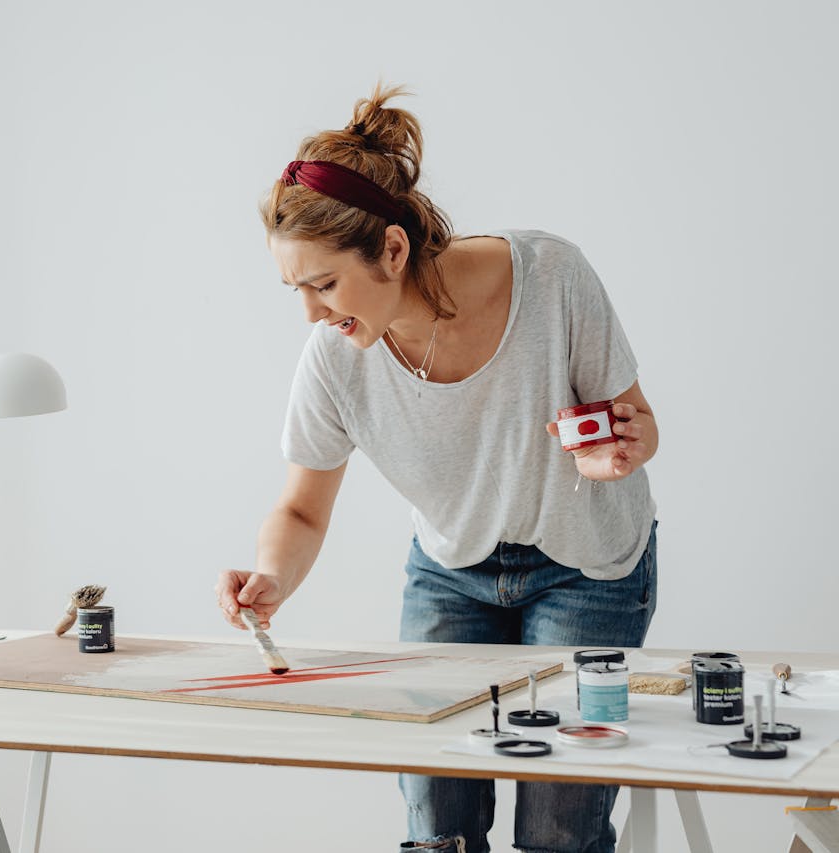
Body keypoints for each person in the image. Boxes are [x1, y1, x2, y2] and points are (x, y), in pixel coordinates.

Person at [213, 83, 659, 853]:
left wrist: (620, 451)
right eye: (297, 290)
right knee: (435, 816)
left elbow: (636, 422)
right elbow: (302, 510)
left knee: (559, 826)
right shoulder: (334, 360)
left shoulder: (552, 277)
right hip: (452, 572)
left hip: (587, 570)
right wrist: (273, 577)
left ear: (392, 248)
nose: (313, 313)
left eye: (325, 284)